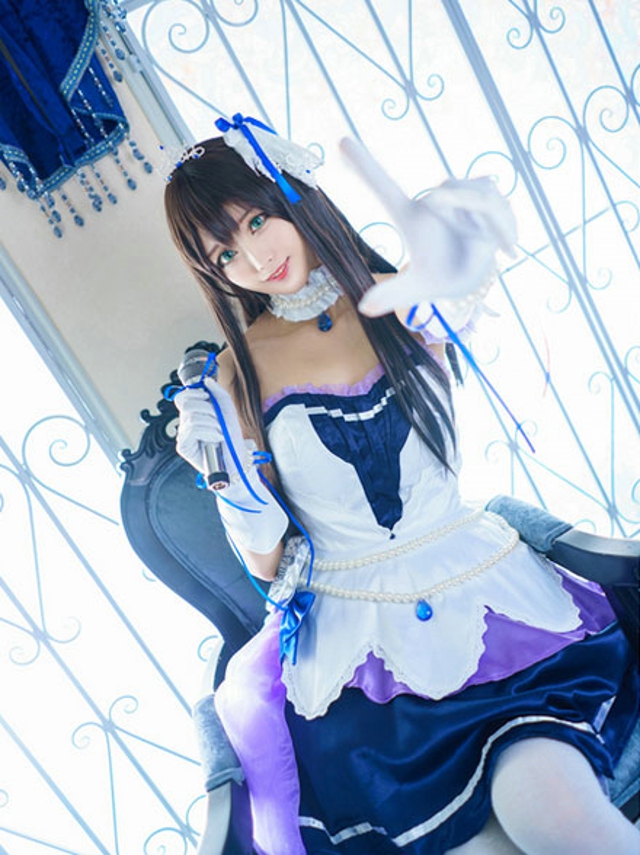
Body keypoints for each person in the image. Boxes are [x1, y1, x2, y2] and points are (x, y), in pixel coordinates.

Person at [164, 115, 639, 854]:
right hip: (362, 654)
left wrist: (465, 276)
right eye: (226, 252)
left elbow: (481, 358)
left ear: (293, 194)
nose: (255, 257)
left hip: (490, 601)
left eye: (257, 220)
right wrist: (234, 489)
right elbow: (268, 563)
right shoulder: (233, 374)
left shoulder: (410, 294)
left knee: (554, 806)